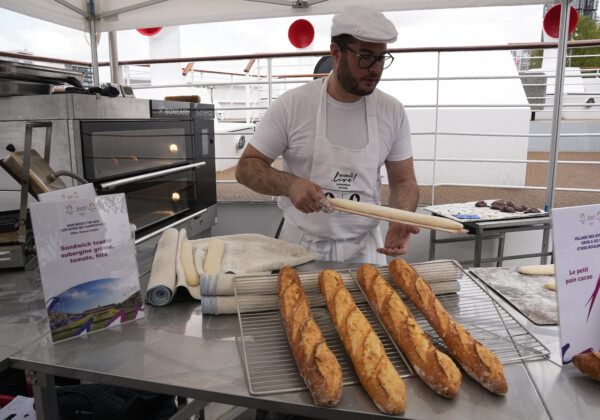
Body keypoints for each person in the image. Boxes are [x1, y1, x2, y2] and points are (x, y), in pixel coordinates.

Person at [235, 6, 419, 266]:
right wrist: (290, 185)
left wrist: (402, 217)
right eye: (365, 57)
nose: (376, 69)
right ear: (336, 53)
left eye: (381, 58)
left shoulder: (392, 111)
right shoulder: (293, 105)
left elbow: (403, 181)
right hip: (301, 247)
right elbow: (246, 168)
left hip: (366, 249)